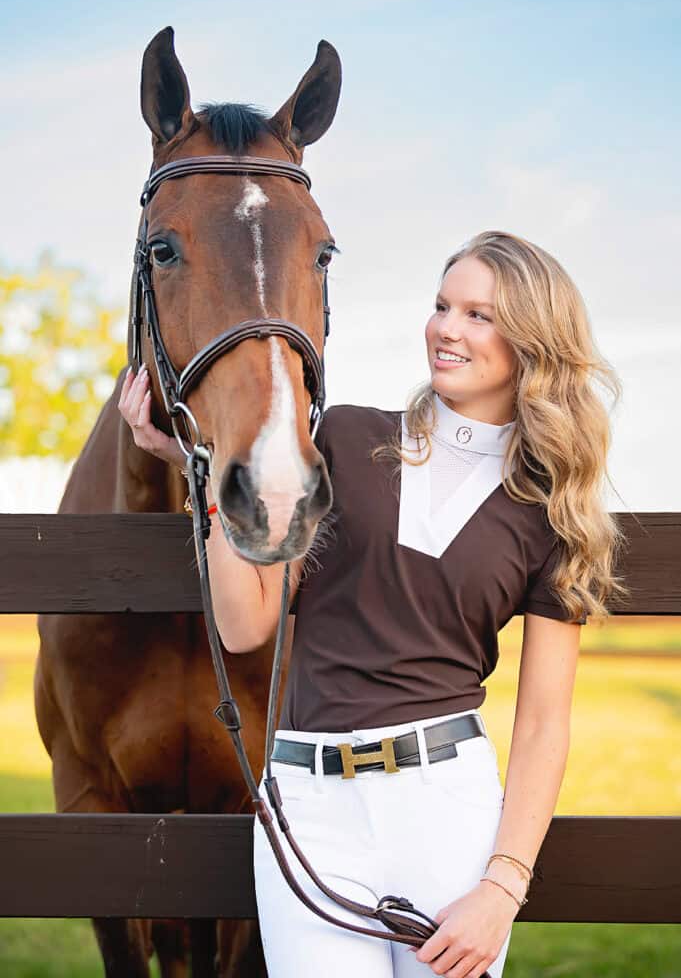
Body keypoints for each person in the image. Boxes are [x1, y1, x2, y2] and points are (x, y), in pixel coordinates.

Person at [119, 229, 627, 977]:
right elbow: (246, 623)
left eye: (478, 314)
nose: (446, 329)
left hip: (443, 812)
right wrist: (207, 471)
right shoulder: (347, 438)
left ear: (533, 340)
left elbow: (545, 718)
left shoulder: (549, 510)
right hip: (306, 804)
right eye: (441, 305)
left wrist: (500, 886)